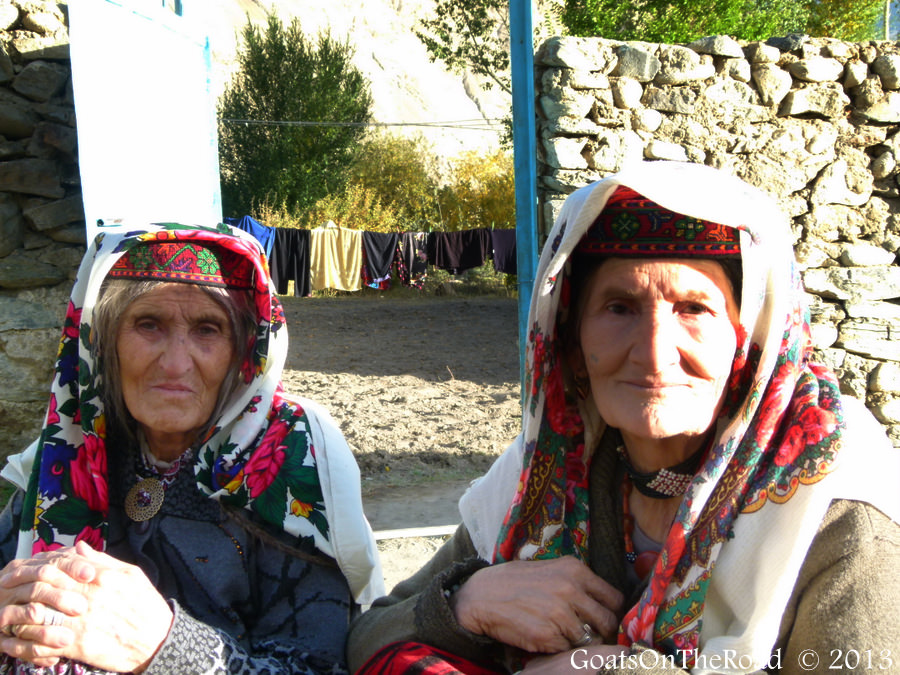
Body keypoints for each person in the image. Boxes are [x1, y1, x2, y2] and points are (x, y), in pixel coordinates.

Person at [347, 161, 900, 674]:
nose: (654, 354)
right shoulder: (545, 474)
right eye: (619, 308)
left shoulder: (829, 507)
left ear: (749, 342)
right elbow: (368, 635)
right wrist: (466, 602)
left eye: (694, 309)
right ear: (569, 340)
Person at [0, 223, 383, 674]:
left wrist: (163, 646)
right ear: (103, 341)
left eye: (207, 329)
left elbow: (319, 666)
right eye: (148, 325)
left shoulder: (292, 456)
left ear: (245, 350)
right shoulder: (71, 446)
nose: (176, 363)